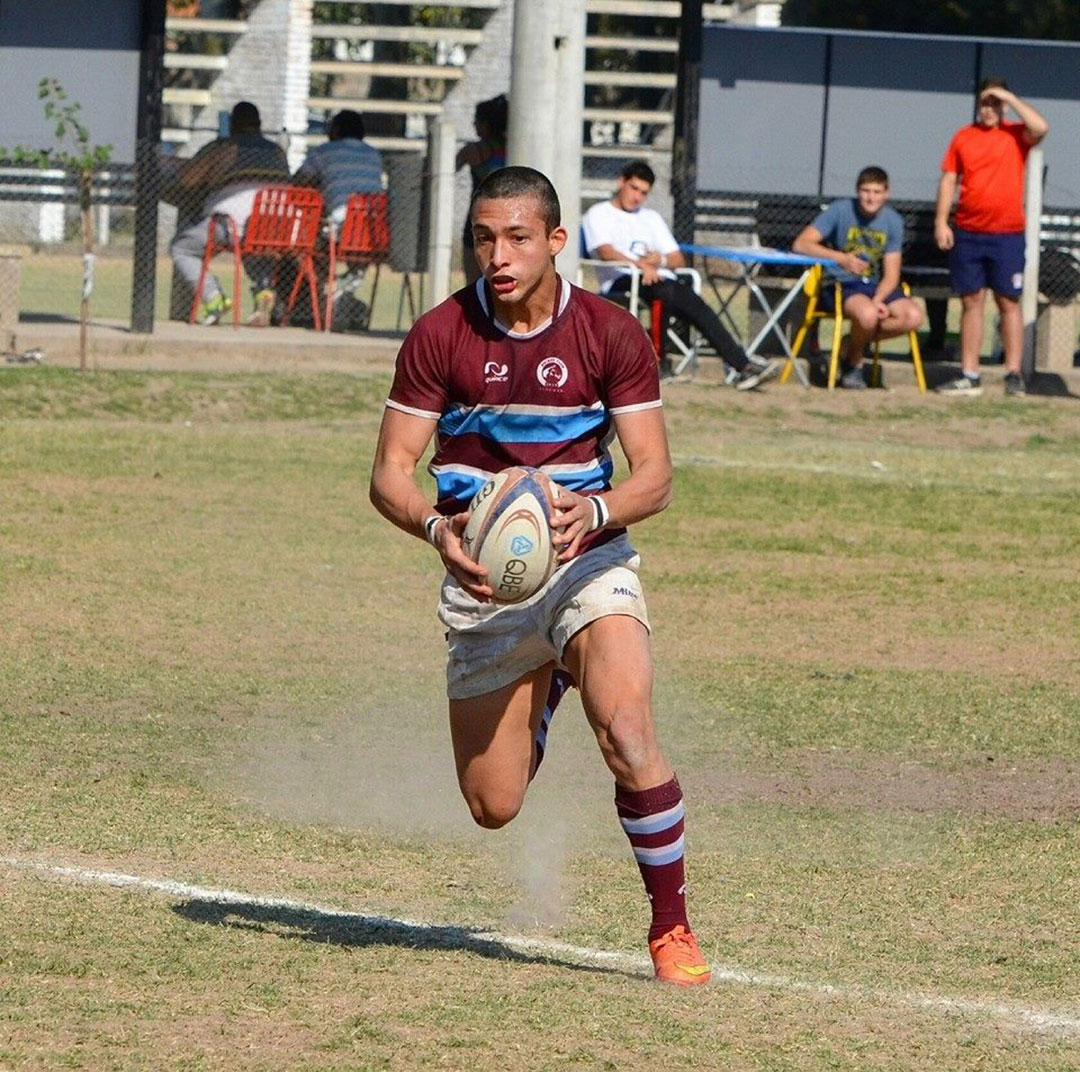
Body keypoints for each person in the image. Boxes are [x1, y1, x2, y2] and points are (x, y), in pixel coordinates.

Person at [369, 165, 711, 987]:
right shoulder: (441, 335)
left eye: (518, 237)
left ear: (557, 240)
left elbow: (654, 475)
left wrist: (594, 515)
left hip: (588, 559)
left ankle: (672, 927)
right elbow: (389, 472)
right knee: (494, 805)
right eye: (484, 238)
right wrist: (435, 528)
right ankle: (546, 677)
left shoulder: (609, 332)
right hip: (484, 583)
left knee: (627, 730)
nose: (499, 254)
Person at [582, 159, 779, 390]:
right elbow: (605, 252)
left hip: (660, 281)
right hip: (621, 279)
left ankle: (741, 365)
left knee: (697, 306)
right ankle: (656, 362)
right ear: (621, 182)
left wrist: (660, 260)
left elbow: (677, 259)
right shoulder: (599, 213)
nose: (637, 197)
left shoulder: (651, 218)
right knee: (665, 291)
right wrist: (640, 266)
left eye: (644, 193)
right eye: (634, 188)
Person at [934, 78, 1049, 397]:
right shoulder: (963, 137)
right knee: (972, 302)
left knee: (1008, 302)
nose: (989, 109)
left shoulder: (1016, 135)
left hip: (1007, 235)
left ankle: (1013, 373)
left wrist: (1009, 97)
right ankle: (969, 373)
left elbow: (1041, 126)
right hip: (969, 233)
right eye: (985, 103)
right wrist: (942, 222)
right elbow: (948, 180)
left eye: (995, 103)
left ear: (1004, 106)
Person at [792, 166, 924, 389]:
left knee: (912, 316)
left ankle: (851, 344)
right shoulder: (839, 210)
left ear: (886, 193)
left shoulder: (893, 221)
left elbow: (892, 273)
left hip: (875, 284)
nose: (870, 198)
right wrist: (841, 258)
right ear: (857, 191)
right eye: (865, 191)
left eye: (876, 192)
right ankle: (854, 364)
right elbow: (801, 244)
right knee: (867, 315)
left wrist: (879, 299)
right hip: (843, 282)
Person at [167, 101, 289, 325]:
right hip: (270, 228)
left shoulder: (223, 147)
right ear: (259, 125)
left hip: (230, 226)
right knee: (255, 248)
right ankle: (264, 292)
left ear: (231, 124)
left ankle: (214, 298)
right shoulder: (277, 152)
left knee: (182, 248)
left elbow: (186, 180)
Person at [275, 110, 385, 328]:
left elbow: (299, 182)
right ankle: (345, 288)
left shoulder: (324, 152)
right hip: (374, 231)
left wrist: (320, 187)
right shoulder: (374, 155)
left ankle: (322, 291)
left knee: (309, 247)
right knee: (344, 253)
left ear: (335, 130)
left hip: (340, 229)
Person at [455, 94, 508, 286]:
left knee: (474, 284)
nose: (473, 124)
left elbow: (445, 169)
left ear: (485, 124)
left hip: (477, 220)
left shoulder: (473, 150)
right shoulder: (515, 149)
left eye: (475, 120)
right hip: (509, 218)